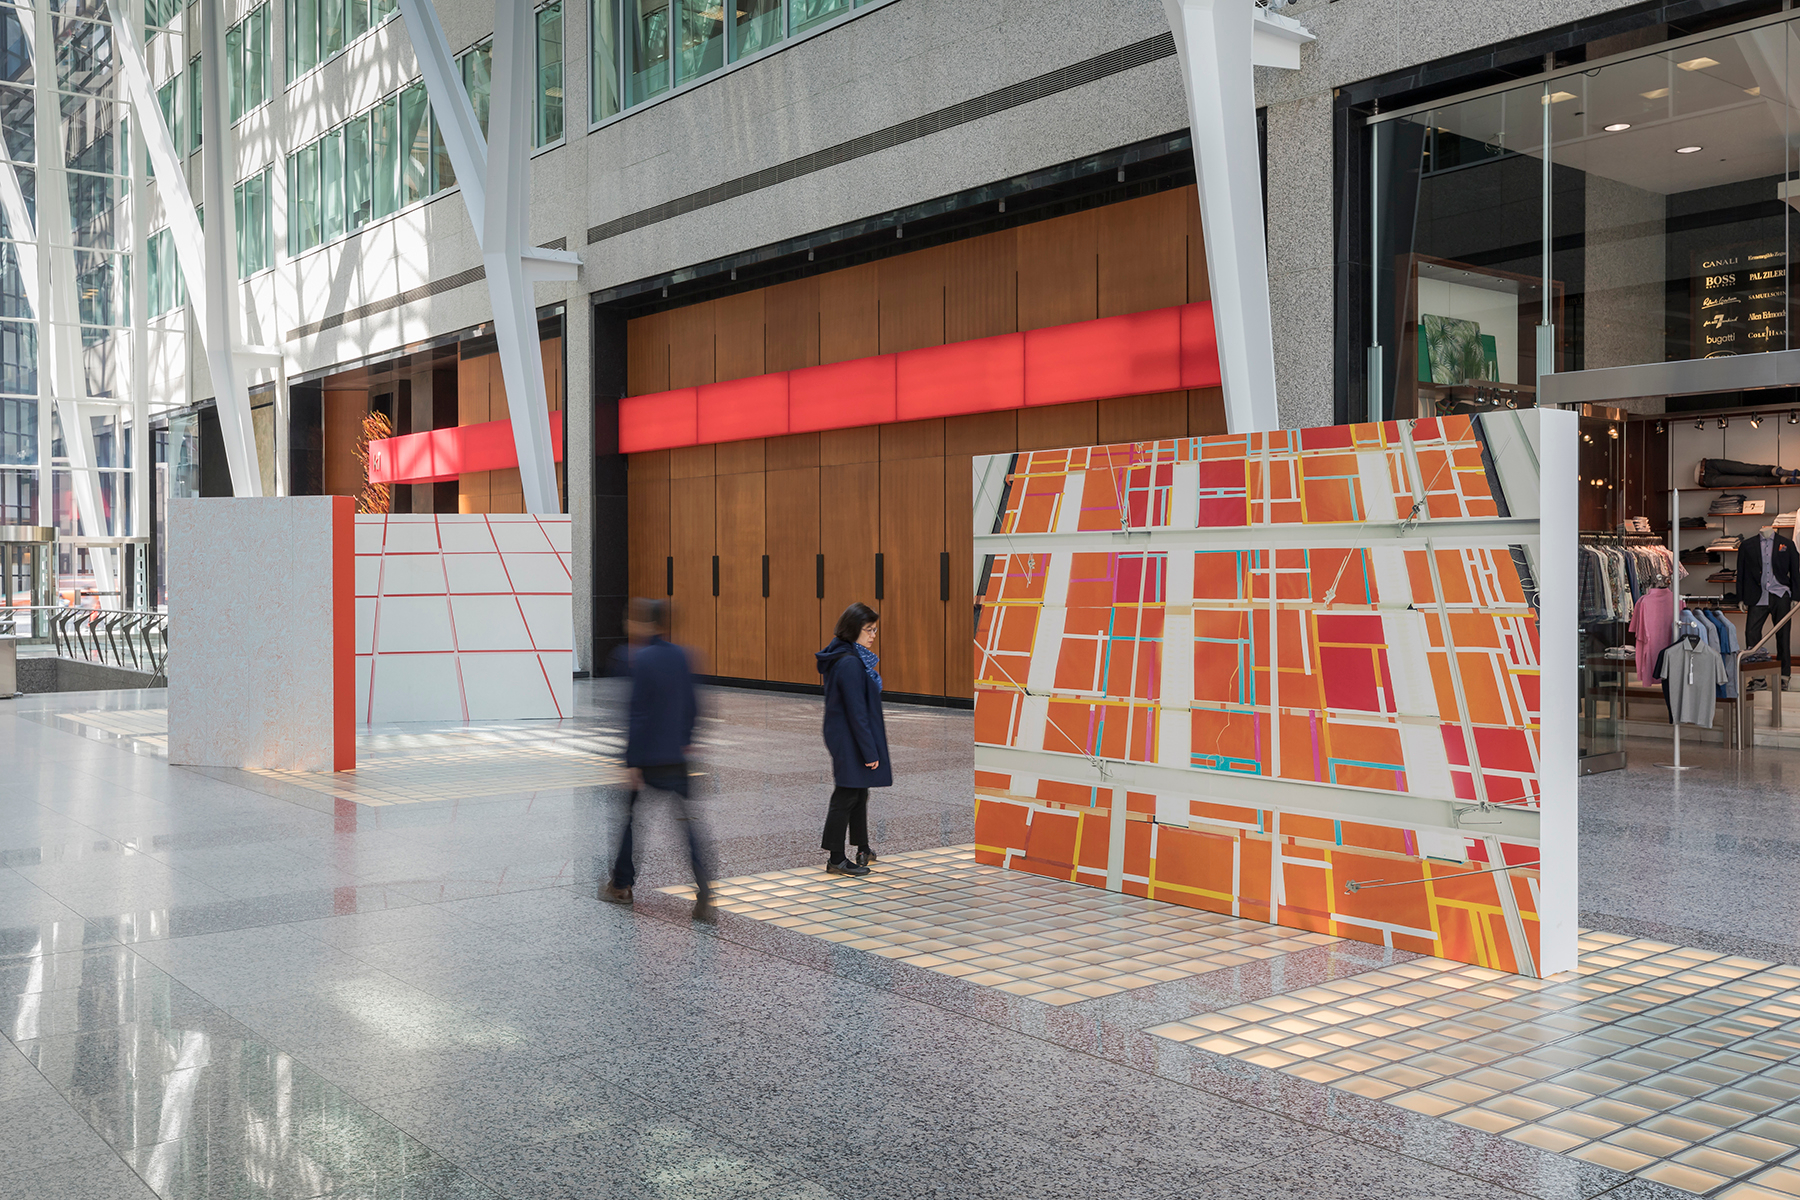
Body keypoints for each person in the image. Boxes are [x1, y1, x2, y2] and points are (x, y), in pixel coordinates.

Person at [601, 598, 714, 918]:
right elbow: (694, 706)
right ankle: (704, 890)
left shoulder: (641, 659)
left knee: (631, 821)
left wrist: (631, 761)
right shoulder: (683, 655)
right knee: (688, 824)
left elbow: (637, 714)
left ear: (643, 624)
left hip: (648, 757)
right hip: (676, 757)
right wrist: (686, 741)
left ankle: (621, 885)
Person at [816, 602, 891, 877]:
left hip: (847, 735)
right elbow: (857, 712)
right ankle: (836, 858)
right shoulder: (849, 663)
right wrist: (869, 752)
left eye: (875, 630)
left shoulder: (850, 658)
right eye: (868, 630)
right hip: (849, 737)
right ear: (853, 630)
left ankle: (863, 848)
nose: (873, 635)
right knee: (846, 794)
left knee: (860, 790)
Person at [1740, 526, 1798, 690]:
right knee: (1751, 634)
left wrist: (1796, 596)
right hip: (1757, 596)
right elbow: (1742, 572)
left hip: (1780, 595)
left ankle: (1784, 676)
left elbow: (1795, 571)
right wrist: (1741, 597)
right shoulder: (1747, 545)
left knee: (1783, 636)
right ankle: (1758, 678)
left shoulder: (1787, 544)